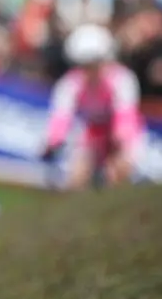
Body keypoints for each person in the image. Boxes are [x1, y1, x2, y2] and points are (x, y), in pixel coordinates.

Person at [40, 23, 144, 190]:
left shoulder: (122, 79)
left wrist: (121, 142)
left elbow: (126, 117)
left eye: (94, 63)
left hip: (121, 135)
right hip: (92, 133)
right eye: (84, 64)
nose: (90, 70)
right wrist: (52, 142)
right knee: (77, 177)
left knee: (118, 172)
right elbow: (61, 117)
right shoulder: (70, 84)